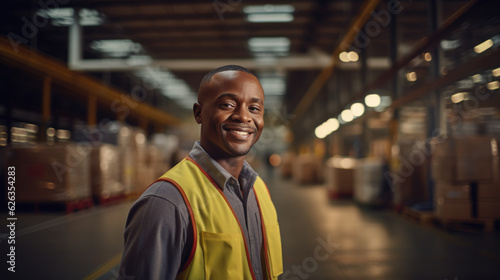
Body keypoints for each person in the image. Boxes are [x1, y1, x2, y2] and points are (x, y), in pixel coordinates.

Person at [119, 65, 283, 280]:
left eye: (254, 109)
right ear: (199, 113)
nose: (243, 117)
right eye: (228, 105)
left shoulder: (259, 190)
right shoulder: (166, 203)